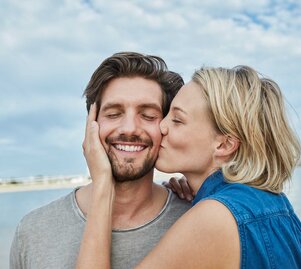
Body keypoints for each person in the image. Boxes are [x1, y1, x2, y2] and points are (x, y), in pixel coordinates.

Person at [77, 65, 301, 268]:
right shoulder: (276, 204)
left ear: (224, 144)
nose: (161, 127)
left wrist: (102, 186)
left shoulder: (214, 218)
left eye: (177, 120)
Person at [9, 52, 191, 269]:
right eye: (114, 114)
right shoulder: (33, 232)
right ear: (91, 124)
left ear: (166, 127)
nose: (129, 128)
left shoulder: (195, 219)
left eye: (148, 116)